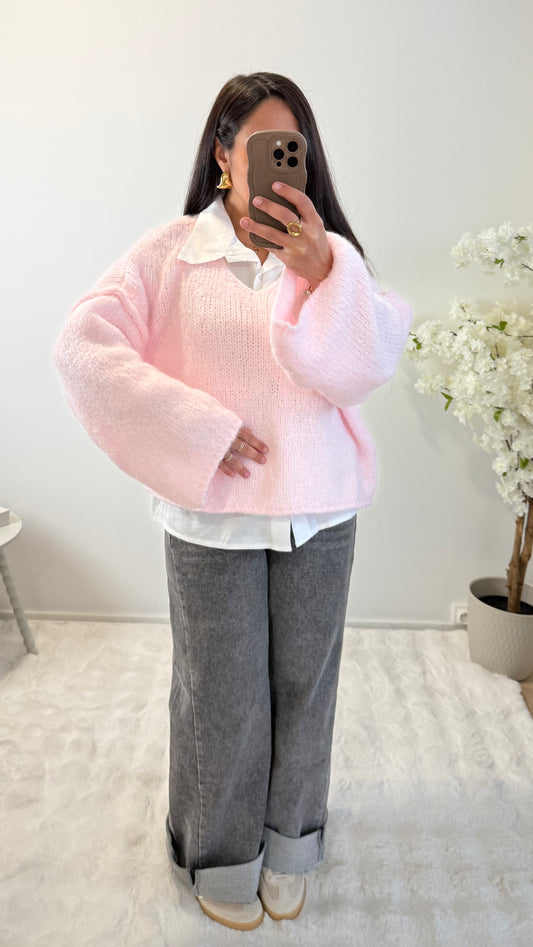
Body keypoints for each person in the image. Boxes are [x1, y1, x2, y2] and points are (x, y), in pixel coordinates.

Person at [53, 72, 412, 932]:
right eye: (261, 144)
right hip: (212, 517)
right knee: (220, 694)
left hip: (319, 512)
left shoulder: (331, 256)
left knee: (305, 687)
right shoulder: (170, 252)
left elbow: (362, 369)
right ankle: (218, 852)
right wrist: (195, 428)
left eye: (295, 147)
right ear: (223, 154)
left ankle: (291, 844)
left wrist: (325, 274)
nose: (281, 162)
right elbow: (82, 348)